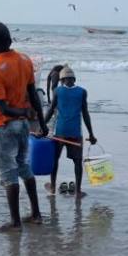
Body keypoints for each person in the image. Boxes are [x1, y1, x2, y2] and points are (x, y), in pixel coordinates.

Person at [0, 21, 48, 232]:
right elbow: (33, 95)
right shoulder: (24, 59)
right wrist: (41, 120)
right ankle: (36, 214)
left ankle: (15, 222)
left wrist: (22, 112)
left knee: (8, 172)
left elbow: (1, 108)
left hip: (4, 126)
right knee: (24, 167)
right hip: (22, 127)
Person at [43, 65, 97, 198]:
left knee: (54, 160)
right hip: (75, 133)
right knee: (77, 162)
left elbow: (50, 110)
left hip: (60, 131)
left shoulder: (57, 91)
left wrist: (42, 126)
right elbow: (85, 114)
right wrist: (91, 134)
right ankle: (78, 191)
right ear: (74, 79)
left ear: (62, 80)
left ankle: (53, 186)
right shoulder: (82, 92)